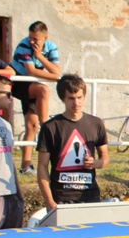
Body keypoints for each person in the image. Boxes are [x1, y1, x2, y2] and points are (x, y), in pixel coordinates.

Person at [37, 74, 109, 211]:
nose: (76, 103)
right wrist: (49, 201)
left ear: (84, 96)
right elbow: (42, 166)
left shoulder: (96, 124)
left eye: (79, 97)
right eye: (71, 98)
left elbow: (105, 158)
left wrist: (96, 163)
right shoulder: (50, 127)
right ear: (62, 98)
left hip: (91, 196)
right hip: (61, 199)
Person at [10, 21, 61, 175]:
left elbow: (56, 71)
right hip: (18, 82)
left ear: (45, 38)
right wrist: (54, 75)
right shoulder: (24, 45)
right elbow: (31, 71)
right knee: (43, 90)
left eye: (36, 39)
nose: (32, 41)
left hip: (32, 83)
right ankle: (45, 127)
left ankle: (25, 167)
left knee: (32, 126)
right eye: (30, 37)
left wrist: (39, 56)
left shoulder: (51, 47)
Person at [0, 75, 23, 230]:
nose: (11, 98)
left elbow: (9, 161)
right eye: (8, 94)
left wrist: (19, 195)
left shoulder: (7, 125)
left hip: (12, 196)